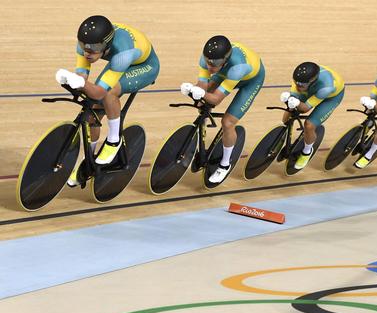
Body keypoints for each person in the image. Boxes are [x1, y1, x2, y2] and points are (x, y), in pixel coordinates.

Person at [55, 15, 160, 186]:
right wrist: (73, 80)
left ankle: (114, 140)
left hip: (144, 66)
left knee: (108, 94)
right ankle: (87, 160)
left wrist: (82, 84)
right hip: (120, 58)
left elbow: (99, 92)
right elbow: (82, 75)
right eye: (84, 47)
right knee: (91, 114)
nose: (87, 52)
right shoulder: (87, 43)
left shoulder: (122, 55)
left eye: (93, 48)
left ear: (106, 46)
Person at [180, 35, 265, 183]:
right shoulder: (207, 60)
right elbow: (202, 87)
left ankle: (225, 165)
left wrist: (203, 94)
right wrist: (192, 91)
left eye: (215, 63)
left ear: (225, 60)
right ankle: (202, 136)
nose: (210, 67)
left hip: (251, 79)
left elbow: (216, 99)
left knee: (228, 122)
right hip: (226, 72)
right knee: (202, 103)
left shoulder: (237, 68)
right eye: (208, 62)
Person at [280, 62, 345, 170]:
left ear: (312, 81)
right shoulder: (300, 78)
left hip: (331, 97)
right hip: (313, 88)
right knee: (290, 109)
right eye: (296, 83)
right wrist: (290, 99)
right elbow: (296, 93)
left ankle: (307, 152)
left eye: (301, 85)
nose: (298, 86)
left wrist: (296, 102)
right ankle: (281, 134)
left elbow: (305, 108)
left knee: (309, 125)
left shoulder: (326, 87)